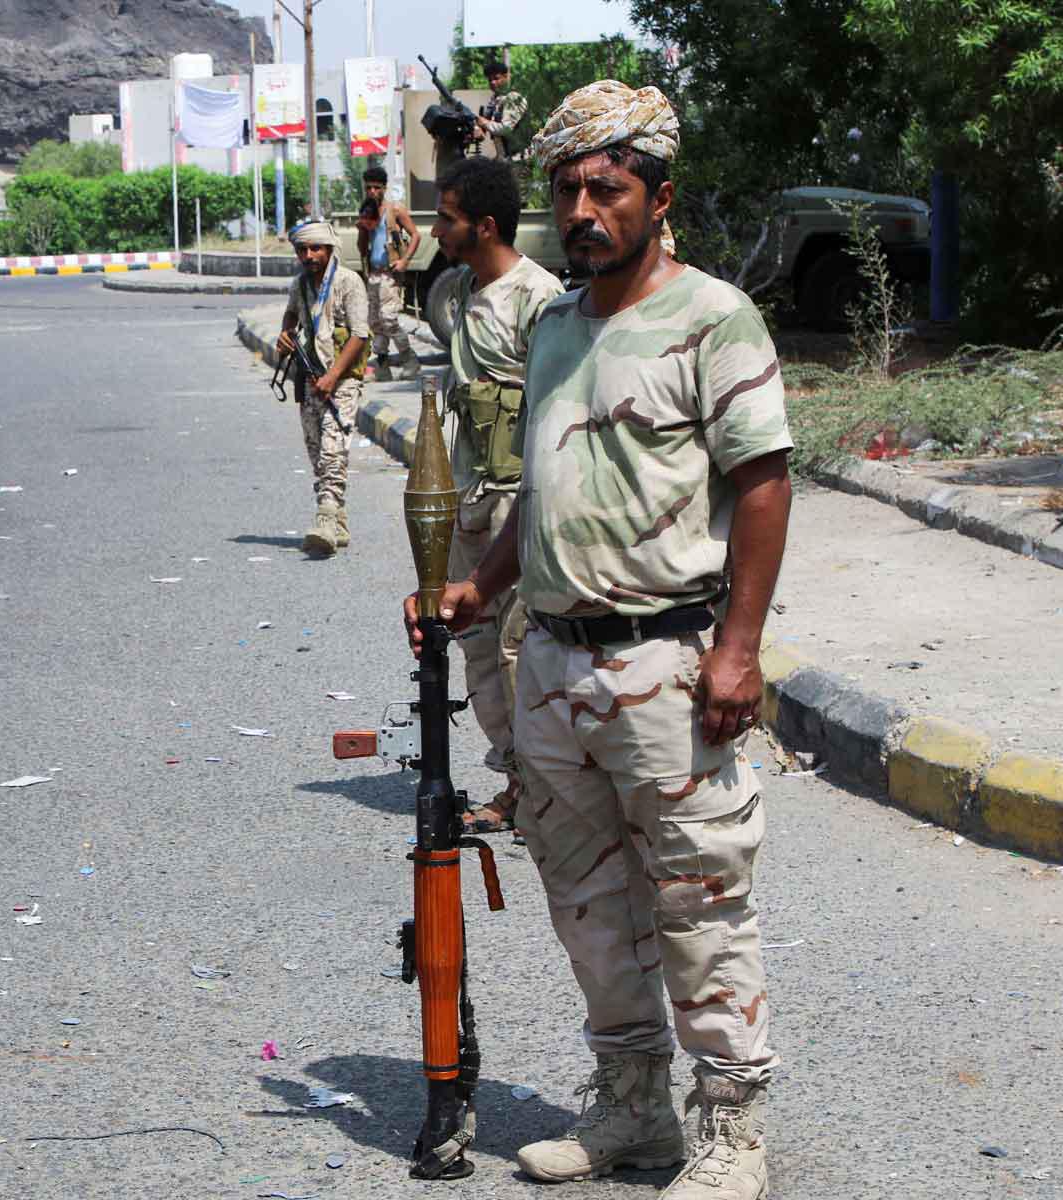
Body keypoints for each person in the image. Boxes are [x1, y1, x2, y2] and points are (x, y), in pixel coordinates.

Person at [403, 80, 790, 1200]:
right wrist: (481, 589)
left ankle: (730, 1131)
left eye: (606, 190)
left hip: (666, 662)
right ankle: (633, 1110)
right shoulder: (558, 325)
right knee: (582, 902)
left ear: (657, 199)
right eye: (569, 189)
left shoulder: (715, 318)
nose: (583, 209)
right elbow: (541, 490)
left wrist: (741, 648)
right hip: (552, 663)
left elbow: (763, 485)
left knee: (697, 901)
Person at [429, 156, 565, 835]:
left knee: (520, 650)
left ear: (484, 225)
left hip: (518, 502)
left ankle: (547, 788)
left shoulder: (539, 298)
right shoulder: (456, 291)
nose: (436, 229)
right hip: (470, 497)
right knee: (474, 641)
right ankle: (518, 780)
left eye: (446, 219)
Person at [276, 219, 369, 556]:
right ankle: (339, 521)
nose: (309, 255)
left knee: (333, 449)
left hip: (342, 382)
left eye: (315, 248)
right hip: (311, 381)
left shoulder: (348, 283)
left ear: (330, 249)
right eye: (303, 249)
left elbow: (360, 335)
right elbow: (291, 319)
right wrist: (285, 337)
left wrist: (333, 376)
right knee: (317, 452)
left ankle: (326, 520)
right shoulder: (299, 286)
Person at [357, 165, 422, 380]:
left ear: (384, 188)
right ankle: (382, 367)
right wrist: (362, 229)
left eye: (376, 187)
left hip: (390, 275)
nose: (372, 192)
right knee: (375, 323)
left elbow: (415, 235)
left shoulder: (395, 211)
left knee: (389, 319)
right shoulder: (367, 211)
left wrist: (404, 261)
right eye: (369, 188)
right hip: (374, 275)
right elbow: (362, 247)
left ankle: (410, 360)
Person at [473, 60, 529, 160]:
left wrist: (485, 123)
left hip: (519, 159)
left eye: (496, 78)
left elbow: (506, 128)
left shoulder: (513, 98)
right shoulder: (495, 100)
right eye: (489, 80)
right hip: (504, 157)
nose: (492, 82)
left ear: (506, 77)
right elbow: (486, 124)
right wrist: (479, 130)